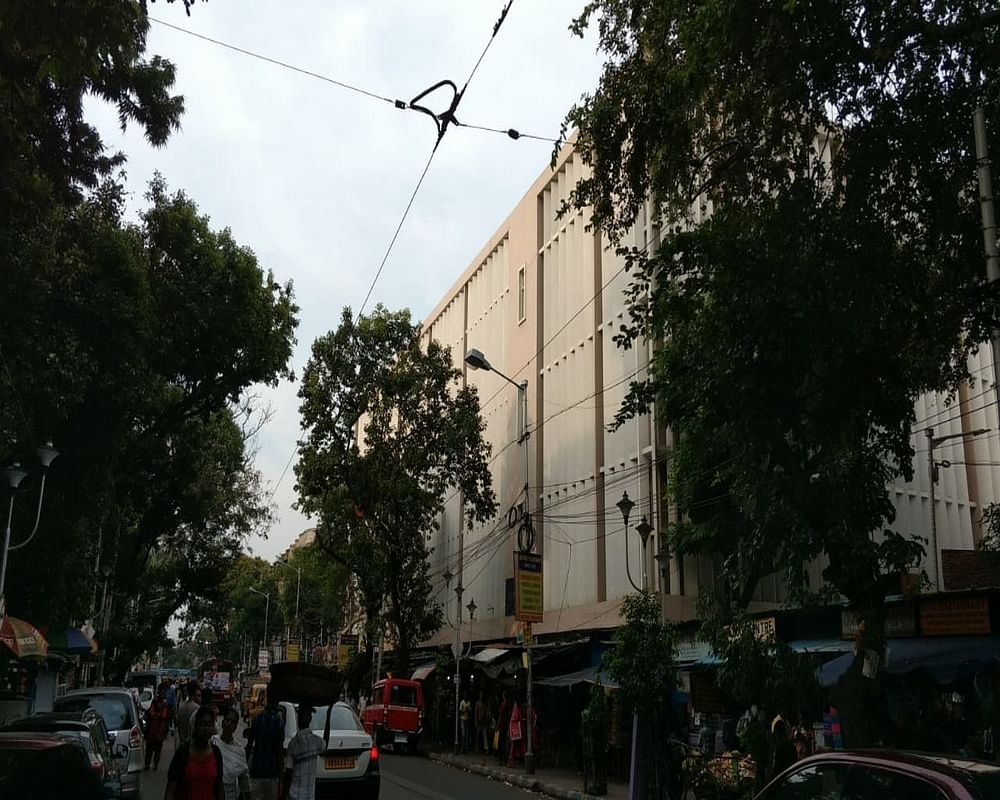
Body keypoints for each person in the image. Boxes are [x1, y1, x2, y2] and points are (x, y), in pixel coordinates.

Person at [165, 704, 225, 800]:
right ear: (196, 726)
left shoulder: (216, 753)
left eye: (210, 725)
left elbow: (219, 788)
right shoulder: (182, 754)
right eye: (203, 724)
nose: (206, 729)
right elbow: (170, 791)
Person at [280, 704, 332, 800]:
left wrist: (282, 796)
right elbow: (326, 743)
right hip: (309, 796)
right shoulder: (316, 741)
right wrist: (328, 716)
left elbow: (288, 774)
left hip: (294, 796)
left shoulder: (293, 744)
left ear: (298, 719)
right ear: (310, 719)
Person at [245, 690, 285, 800]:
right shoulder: (279, 722)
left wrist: (244, 766)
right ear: (277, 701)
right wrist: (281, 779)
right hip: (272, 774)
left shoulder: (257, 719)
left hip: (257, 771)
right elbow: (280, 752)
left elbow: (249, 745)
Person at [213, 705, 251, 800]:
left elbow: (244, 780)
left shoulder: (239, 750)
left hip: (230, 795)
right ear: (222, 722)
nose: (229, 724)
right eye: (227, 720)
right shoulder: (213, 742)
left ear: (235, 727)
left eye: (232, 722)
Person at [144, 684, 169, 770]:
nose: (162, 694)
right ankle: (147, 764)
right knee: (149, 748)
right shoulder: (155, 701)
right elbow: (151, 713)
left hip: (159, 729)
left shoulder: (164, 703)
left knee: (158, 748)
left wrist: (157, 716)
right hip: (152, 729)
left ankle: (155, 764)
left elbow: (164, 716)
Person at [178, 682, 203, 747]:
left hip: (182, 742)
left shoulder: (180, 706)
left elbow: (178, 725)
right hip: (192, 744)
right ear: (195, 691)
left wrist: (182, 738)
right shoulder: (197, 708)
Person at [496, 691, 509, 765]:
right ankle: (504, 760)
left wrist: (497, 726)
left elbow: (500, 716)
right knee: (503, 743)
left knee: (500, 743)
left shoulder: (504, 704)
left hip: (501, 726)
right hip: (505, 725)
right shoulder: (507, 704)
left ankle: (501, 759)